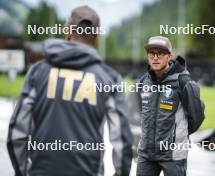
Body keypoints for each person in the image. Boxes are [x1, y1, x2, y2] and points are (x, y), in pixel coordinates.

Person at [7, 5, 133, 176]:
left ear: (67, 31)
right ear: (96, 38)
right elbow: (122, 141)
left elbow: (17, 133)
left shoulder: (38, 72)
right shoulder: (109, 79)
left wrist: (22, 172)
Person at [136, 36, 205, 176]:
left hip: (173, 154)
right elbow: (142, 111)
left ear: (169, 56)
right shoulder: (143, 82)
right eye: (151, 53)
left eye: (160, 53)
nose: (155, 57)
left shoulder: (183, 82)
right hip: (146, 153)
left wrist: (182, 134)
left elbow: (197, 115)